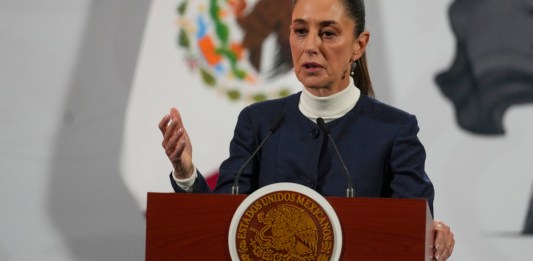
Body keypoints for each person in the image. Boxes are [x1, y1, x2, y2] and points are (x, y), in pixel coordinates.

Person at [159, 0, 455, 259]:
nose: (311, 46)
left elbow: (409, 231)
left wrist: (428, 234)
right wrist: (185, 174)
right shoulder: (258, 123)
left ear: (359, 45)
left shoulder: (395, 131)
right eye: (301, 31)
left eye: (328, 33)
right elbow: (222, 226)